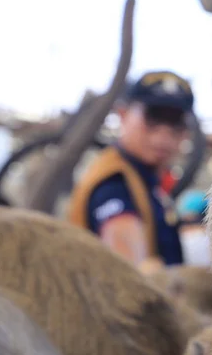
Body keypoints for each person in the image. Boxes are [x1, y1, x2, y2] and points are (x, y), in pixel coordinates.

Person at [68, 70, 193, 272]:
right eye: (153, 118)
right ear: (123, 115)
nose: (164, 134)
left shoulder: (145, 179)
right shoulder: (114, 182)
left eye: (176, 123)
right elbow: (130, 273)